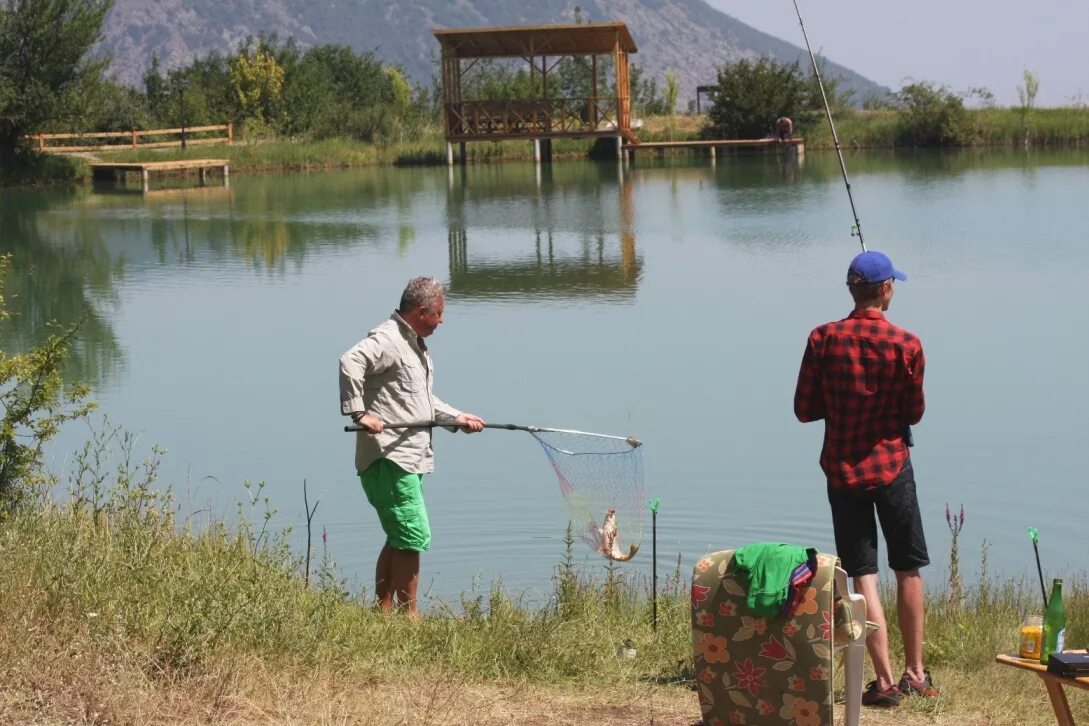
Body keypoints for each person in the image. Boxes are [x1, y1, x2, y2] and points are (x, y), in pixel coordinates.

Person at [793, 250, 937, 707]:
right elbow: (914, 410)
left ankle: (885, 681)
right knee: (908, 569)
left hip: (842, 470)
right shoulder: (907, 344)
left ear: (852, 289)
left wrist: (838, 405)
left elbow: (804, 410)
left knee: (864, 576)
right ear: (887, 289)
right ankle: (916, 672)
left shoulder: (822, 339)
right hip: (893, 467)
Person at [339, 276, 485, 616]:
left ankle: (383, 614)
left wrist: (457, 417)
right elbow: (350, 361)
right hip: (388, 457)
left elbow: (419, 401)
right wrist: (360, 412)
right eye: (439, 313)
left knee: (399, 535)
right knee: (413, 536)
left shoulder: (411, 344)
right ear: (422, 311)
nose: (442, 320)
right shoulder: (389, 339)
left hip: (407, 458)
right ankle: (410, 618)